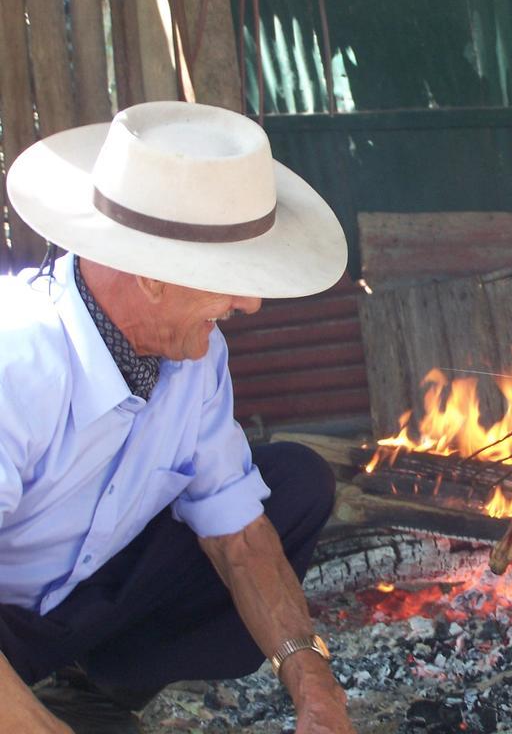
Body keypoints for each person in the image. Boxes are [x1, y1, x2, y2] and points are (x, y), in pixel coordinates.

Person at [0, 101, 356, 733]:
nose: (249, 301)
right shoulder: (17, 364)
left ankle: (93, 685)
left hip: (77, 612)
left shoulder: (196, 358)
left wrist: (315, 685)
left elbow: (237, 533)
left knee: (296, 483)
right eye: (230, 277)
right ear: (152, 277)